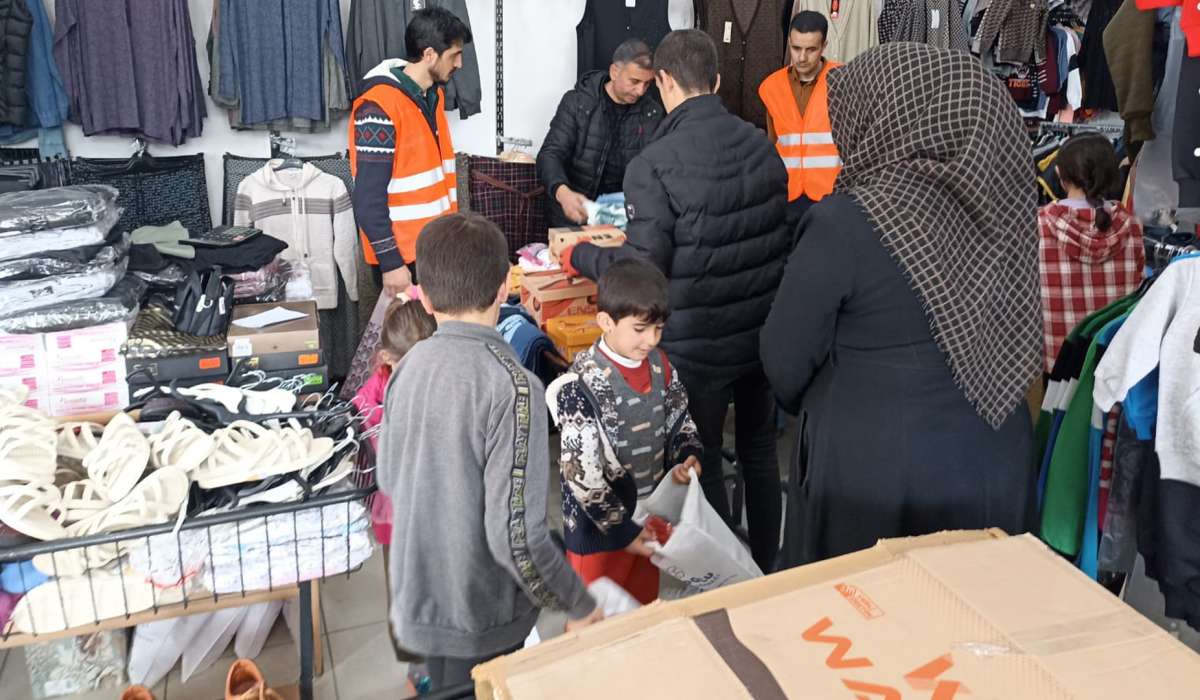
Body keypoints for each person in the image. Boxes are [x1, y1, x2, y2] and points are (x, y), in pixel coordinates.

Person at [760, 44, 1041, 568]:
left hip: (873, 471)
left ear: (885, 117)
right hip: (993, 455)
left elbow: (784, 357)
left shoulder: (844, 224)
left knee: (869, 629)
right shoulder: (1007, 209)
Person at [562, 30, 791, 574]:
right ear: (714, 81)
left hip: (697, 343)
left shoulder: (655, 163)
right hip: (760, 336)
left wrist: (582, 257)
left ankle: (720, 577)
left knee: (702, 457)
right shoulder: (762, 146)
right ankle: (766, 569)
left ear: (663, 81)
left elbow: (644, 272)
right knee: (759, 452)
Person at [378, 213, 601, 690]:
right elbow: (515, 536)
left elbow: (390, 478)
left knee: (438, 685)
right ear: (505, 288)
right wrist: (578, 602)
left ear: (427, 296)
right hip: (479, 615)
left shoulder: (408, 366)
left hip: (418, 593)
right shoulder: (514, 387)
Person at [547, 258, 702, 605]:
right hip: (600, 532)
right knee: (595, 623)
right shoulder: (581, 384)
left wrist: (687, 452)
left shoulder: (661, 366)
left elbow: (679, 416)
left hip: (649, 519)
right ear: (605, 321)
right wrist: (622, 531)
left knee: (642, 609)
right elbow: (582, 475)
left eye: (659, 328)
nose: (651, 340)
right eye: (640, 328)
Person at [350, 8, 470, 300]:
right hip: (402, 258)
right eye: (453, 55)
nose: (460, 63)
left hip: (435, 250)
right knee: (406, 342)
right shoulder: (378, 106)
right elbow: (367, 197)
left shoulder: (433, 96)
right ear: (429, 54)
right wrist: (391, 263)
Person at [1038, 134, 1144, 373]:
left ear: (1059, 176)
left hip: (1057, 356)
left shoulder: (1040, 225)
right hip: (1112, 355)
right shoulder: (1131, 226)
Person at [537, 39, 664, 227]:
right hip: (572, 215)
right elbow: (549, 155)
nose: (640, 91)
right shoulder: (577, 103)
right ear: (614, 72)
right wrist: (563, 194)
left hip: (622, 220)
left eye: (647, 84)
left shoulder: (652, 114)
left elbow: (656, 172)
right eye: (635, 81)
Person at [759, 11, 841, 230]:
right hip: (787, 195)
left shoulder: (844, 82)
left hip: (831, 195)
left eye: (811, 49)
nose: (802, 57)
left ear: (824, 46)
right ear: (789, 43)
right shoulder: (770, 88)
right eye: (796, 48)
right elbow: (772, 143)